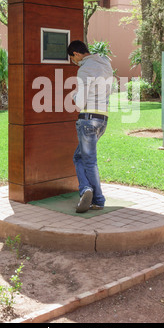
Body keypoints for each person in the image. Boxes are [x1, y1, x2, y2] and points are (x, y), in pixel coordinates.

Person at [67, 40, 113, 213]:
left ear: (77, 54)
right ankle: (90, 193)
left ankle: (94, 195)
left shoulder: (84, 69)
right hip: (103, 119)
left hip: (88, 118)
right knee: (82, 157)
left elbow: (80, 103)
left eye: (73, 58)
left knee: (86, 160)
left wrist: (73, 95)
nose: (74, 62)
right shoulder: (106, 63)